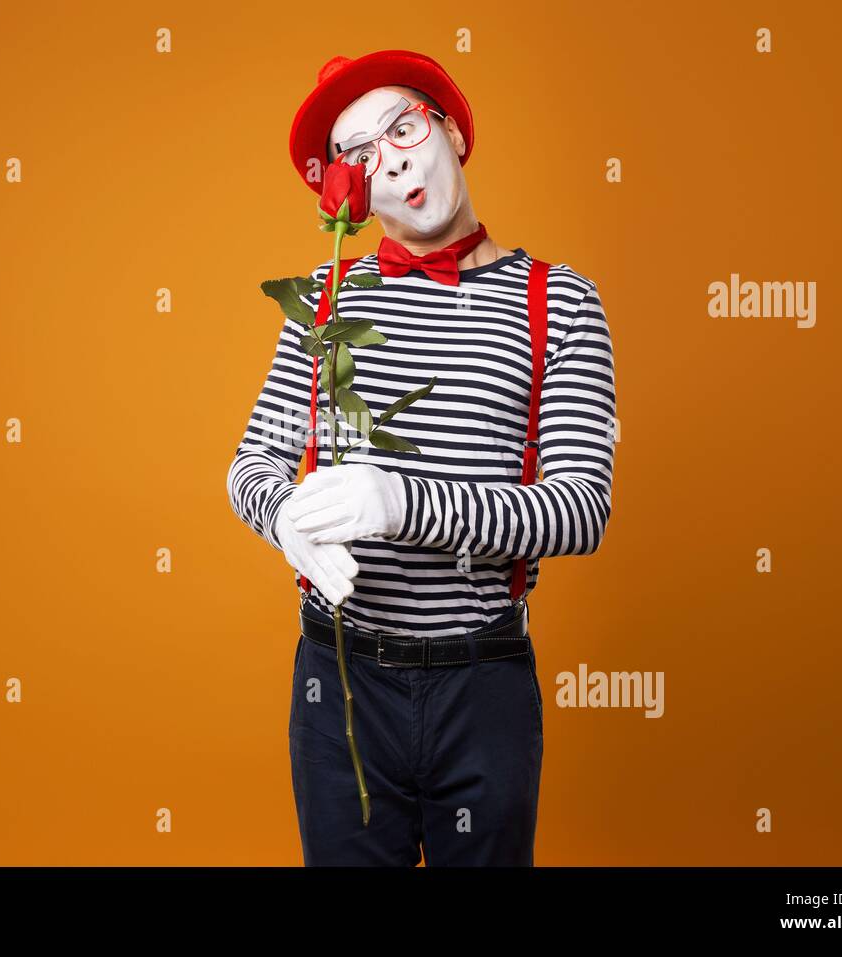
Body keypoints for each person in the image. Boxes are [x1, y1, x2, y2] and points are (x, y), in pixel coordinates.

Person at [226, 49, 617, 865]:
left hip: (485, 685)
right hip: (338, 683)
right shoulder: (325, 298)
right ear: (349, 190)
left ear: (451, 131)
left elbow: (581, 509)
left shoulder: (561, 300)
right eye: (358, 153)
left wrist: (401, 504)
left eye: (402, 126)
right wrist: (284, 519)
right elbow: (253, 462)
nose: (391, 156)